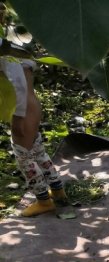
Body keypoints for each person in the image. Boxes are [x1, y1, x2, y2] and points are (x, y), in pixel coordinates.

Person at [0, 54, 67, 217]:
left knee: (24, 157)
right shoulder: (18, 47)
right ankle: (58, 191)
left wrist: (17, 118)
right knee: (37, 152)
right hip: (30, 107)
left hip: (24, 112)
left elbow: (18, 86)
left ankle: (44, 201)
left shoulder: (7, 52)